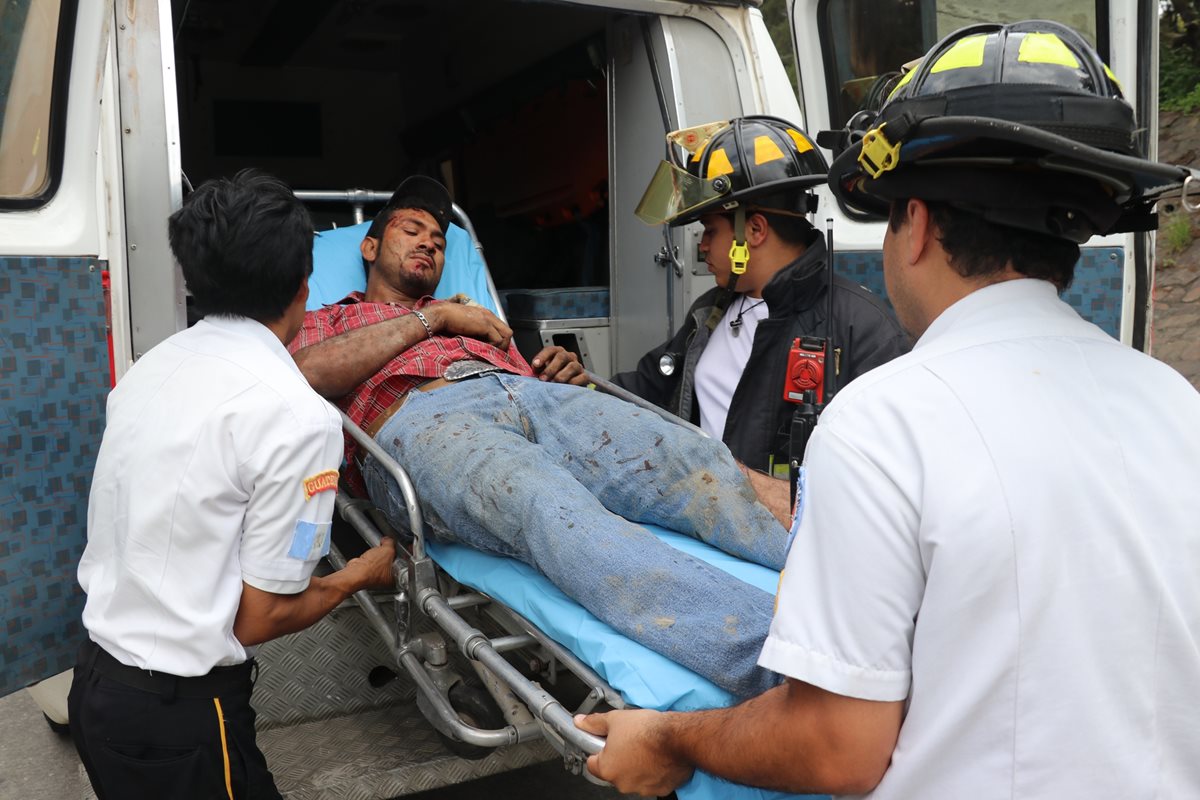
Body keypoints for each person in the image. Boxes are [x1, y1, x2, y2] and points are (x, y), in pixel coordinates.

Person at [577, 21, 1200, 798]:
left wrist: (669, 736)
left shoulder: (883, 423)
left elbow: (835, 747)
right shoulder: (1176, 405)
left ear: (917, 227)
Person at [289, 175, 789, 699]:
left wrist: (559, 373)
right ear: (369, 247)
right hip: (423, 419)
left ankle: (837, 591)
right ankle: (782, 660)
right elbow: (308, 374)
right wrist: (433, 317)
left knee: (690, 457)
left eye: (438, 241)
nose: (429, 245)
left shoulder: (474, 316)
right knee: (553, 508)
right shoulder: (332, 319)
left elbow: (526, 382)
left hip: (531, 397)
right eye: (411, 231)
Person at [69, 171, 396, 800]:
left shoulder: (150, 368)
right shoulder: (298, 418)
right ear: (304, 286)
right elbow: (260, 617)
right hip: (178, 723)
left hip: (96, 687)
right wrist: (359, 574)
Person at [613, 116, 908, 523]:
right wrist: (575, 381)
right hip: (705, 531)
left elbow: (885, 486)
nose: (702, 246)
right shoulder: (711, 311)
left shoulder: (862, 330)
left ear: (753, 230)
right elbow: (648, 389)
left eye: (710, 230)